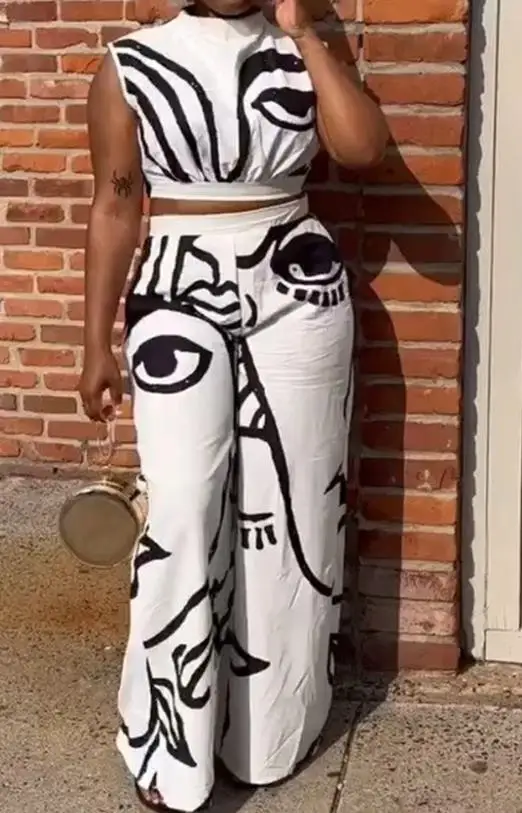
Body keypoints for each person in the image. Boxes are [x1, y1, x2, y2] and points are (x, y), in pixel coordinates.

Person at [79, 0, 387, 809]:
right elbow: (114, 203)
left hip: (298, 281)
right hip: (177, 284)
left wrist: (305, 35)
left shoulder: (298, 51)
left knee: (296, 510)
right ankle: (169, 744)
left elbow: (362, 148)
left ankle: (268, 732)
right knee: (182, 505)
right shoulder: (131, 63)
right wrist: (95, 342)